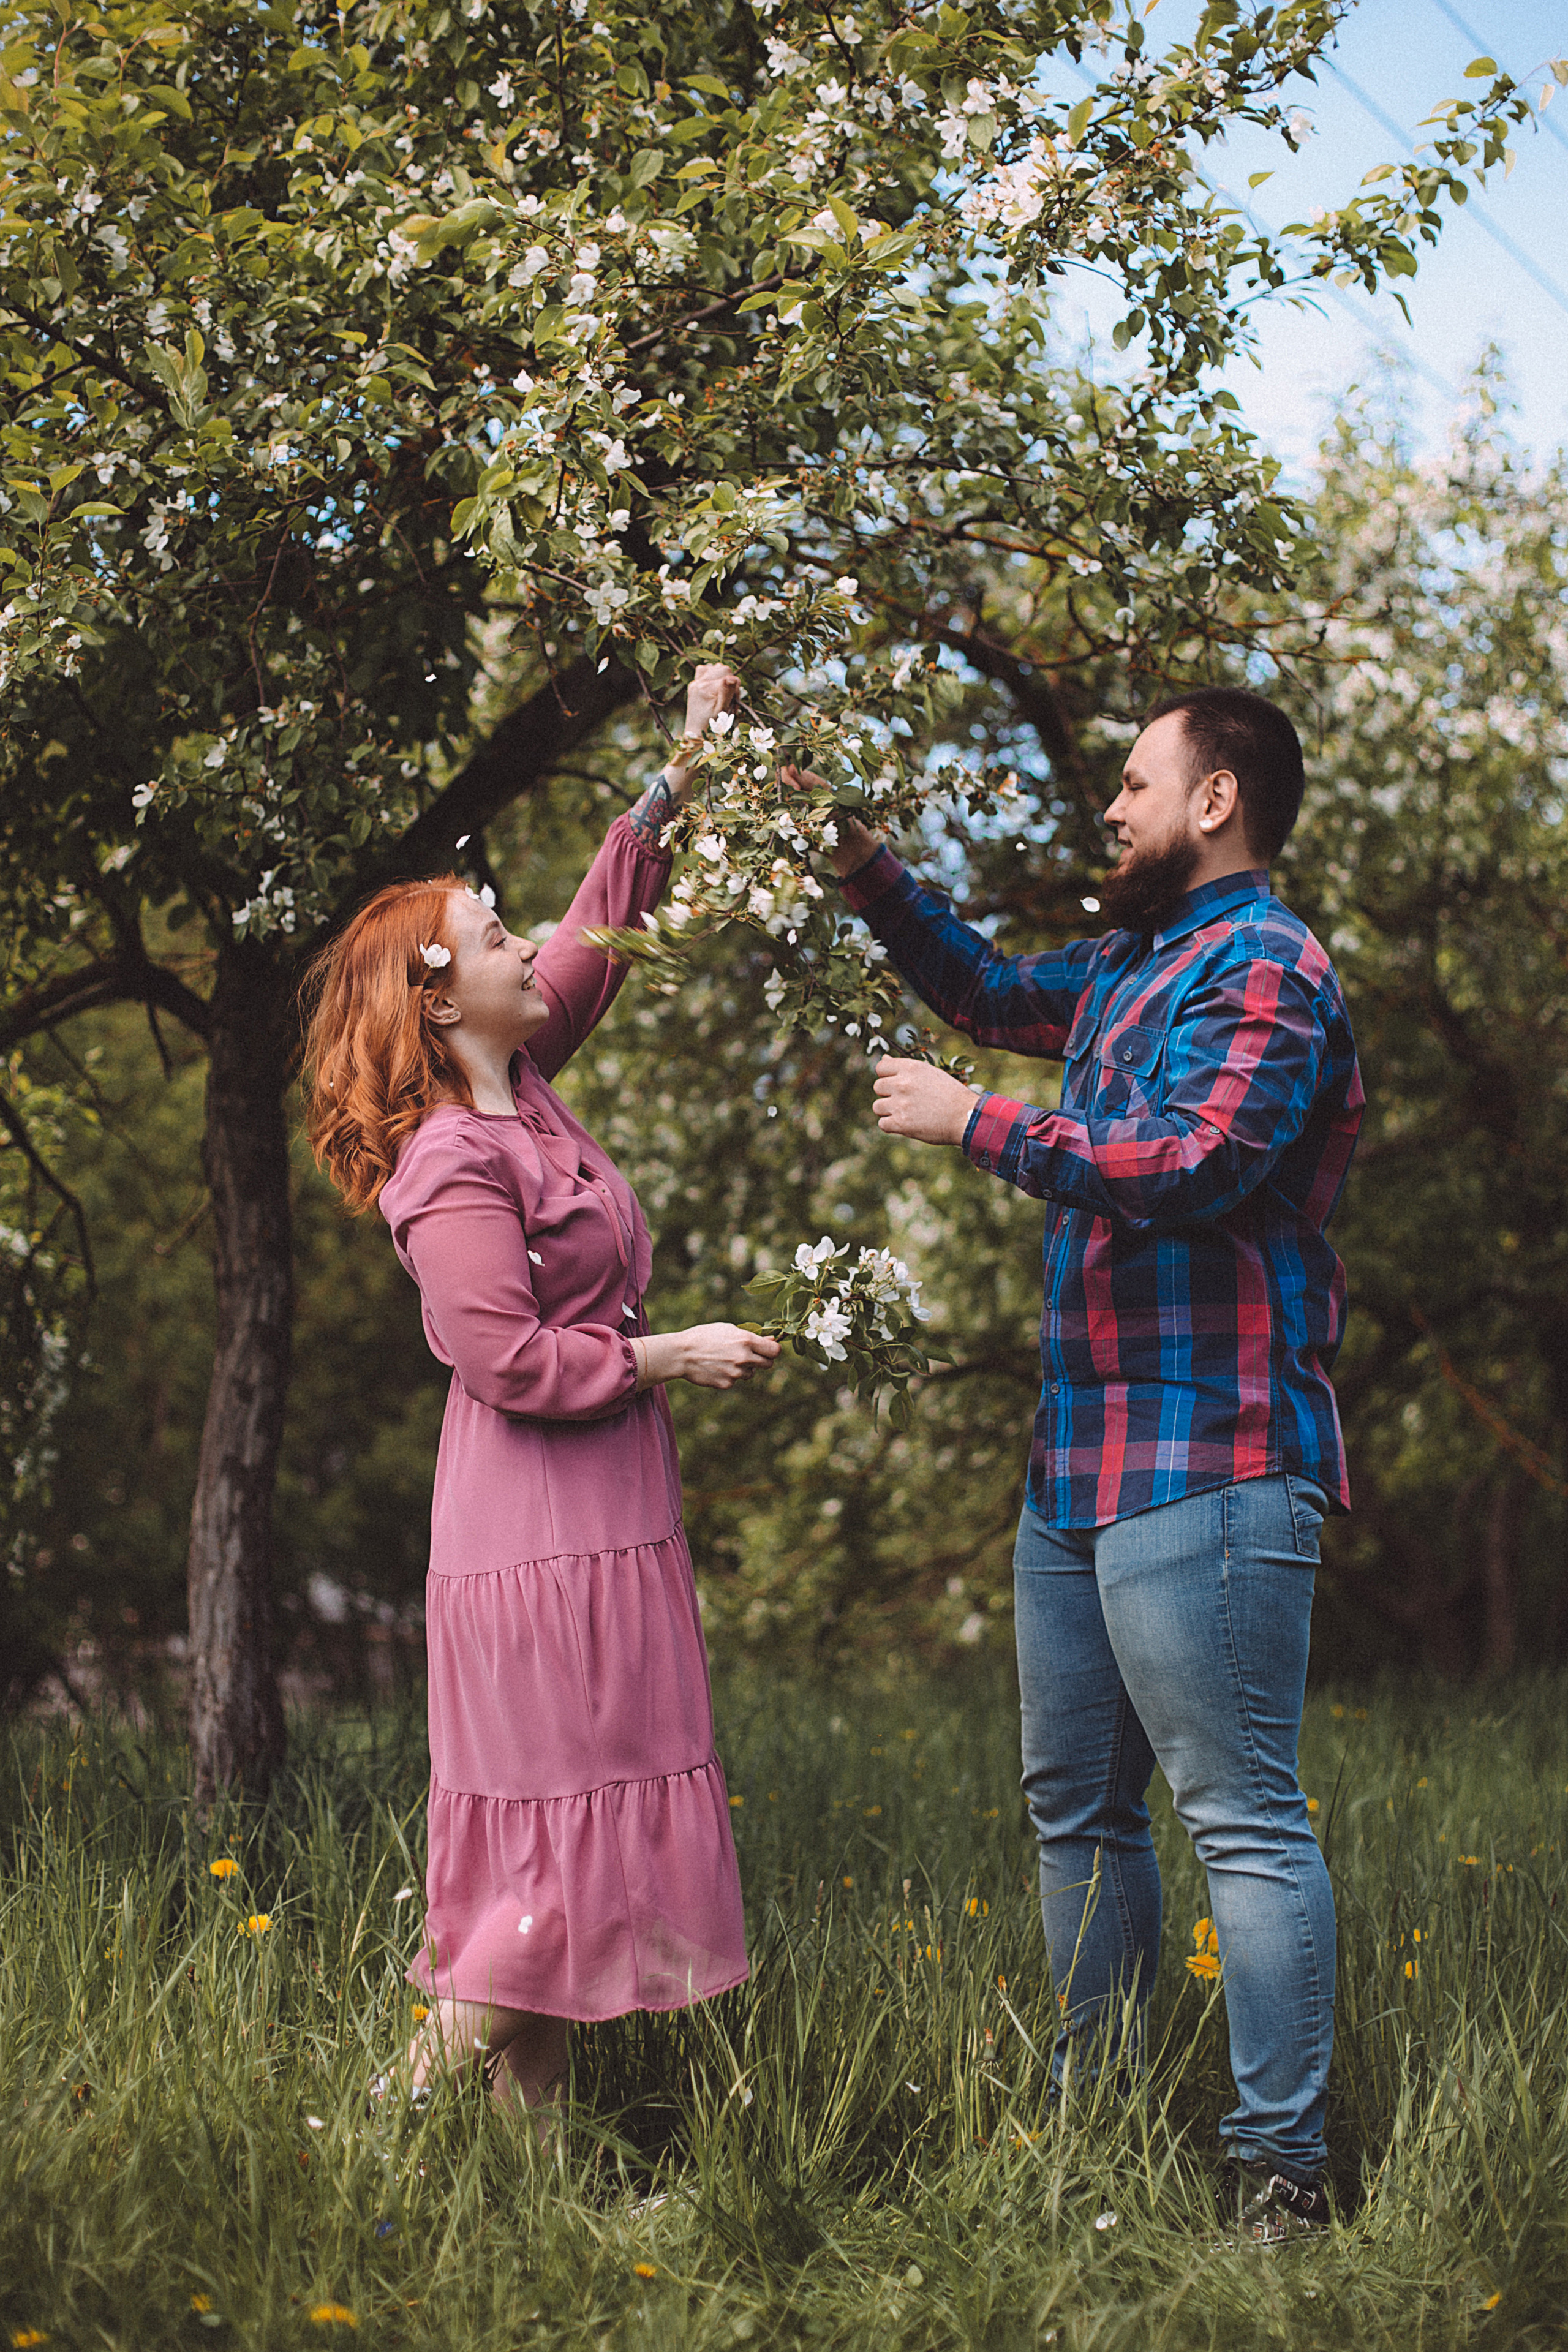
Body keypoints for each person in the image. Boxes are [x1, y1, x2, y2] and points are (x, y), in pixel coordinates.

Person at [791, 687, 1363, 2241]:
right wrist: (856, 858)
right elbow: (981, 986)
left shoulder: (1267, 966)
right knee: (1076, 1815)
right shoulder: (1124, 962)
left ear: (1214, 800)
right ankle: (1090, 2142)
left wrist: (979, 1126)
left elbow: (1195, 1161)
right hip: (1077, 1467)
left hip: (1209, 1455)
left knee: (1236, 1814)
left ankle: (1280, 2176)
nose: (1108, 809)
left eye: (1132, 783)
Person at [304, 663, 777, 2117]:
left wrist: (678, 782)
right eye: (489, 935)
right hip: (535, 1539)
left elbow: (595, 935)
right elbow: (502, 1358)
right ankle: (372, 2130)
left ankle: (534, 2205)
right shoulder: (452, 1157)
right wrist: (665, 1353)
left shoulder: (523, 1081)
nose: (520, 943)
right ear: (439, 997)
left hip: (603, 1519)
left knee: (562, 1860)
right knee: (558, 1879)